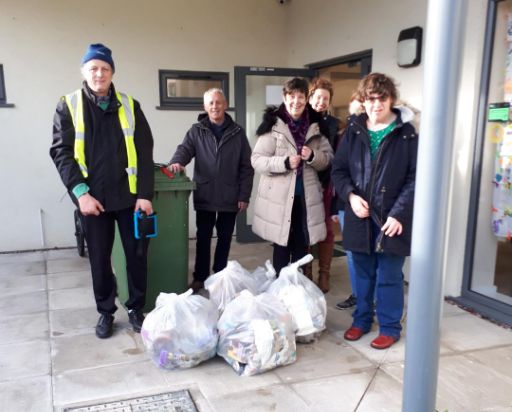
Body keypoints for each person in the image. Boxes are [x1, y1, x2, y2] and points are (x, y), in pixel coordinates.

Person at [50, 43, 154, 339]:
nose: (99, 74)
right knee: (99, 258)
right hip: (92, 200)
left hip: (130, 197)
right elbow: (61, 153)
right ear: (84, 71)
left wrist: (145, 194)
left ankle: (136, 308)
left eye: (105, 68)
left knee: (137, 256)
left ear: (112, 72)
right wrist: (81, 194)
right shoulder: (68, 105)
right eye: (93, 68)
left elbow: (144, 152)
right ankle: (106, 312)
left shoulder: (130, 105)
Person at [331, 73, 418, 350]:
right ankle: (361, 321)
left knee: (389, 276)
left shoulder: (407, 134)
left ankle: (390, 327)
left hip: (393, 219)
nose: (376, 105)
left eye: (382, 99)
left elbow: (416, 178)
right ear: (363, 101)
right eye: (371, 99)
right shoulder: (354, 130)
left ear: (391, 100)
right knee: (363, 273)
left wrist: (399, 214)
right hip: (360, 216)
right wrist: (351, 196)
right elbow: (339, 170)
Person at [168, 88, 254, 293]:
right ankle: (199, 277)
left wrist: (244, 195)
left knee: (224, 238)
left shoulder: (238, 132)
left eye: (218, 102)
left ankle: (219, 276)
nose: (215, 106)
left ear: (225, 104)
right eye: (210, 103)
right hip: (205, 193)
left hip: (229, 195)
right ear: (205, 107)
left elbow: (246, 167)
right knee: (203, 237)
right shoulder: (197, 130)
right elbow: (185, 149)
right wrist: (176, 162)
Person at [251, 77, 333, 275]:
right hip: (279, 198)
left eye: (301, 97)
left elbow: (329, 159)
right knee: (281, 244)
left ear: (306, 99)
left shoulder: (316, 124)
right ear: (284, 97)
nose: (296, 101)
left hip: (306, 197)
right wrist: (284, 162)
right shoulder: (273, 125)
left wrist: (313, 156)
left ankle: (297, 289)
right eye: (292, 96)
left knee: (301, 244)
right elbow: (257, 159)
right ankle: (279, 288)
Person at [302, 78, 342, 293]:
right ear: (310, 97)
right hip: (303, 181)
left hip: (325, 183)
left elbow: (337, 158)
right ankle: (306, 271)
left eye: (325, 98)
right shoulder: (300, 119)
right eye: (318, 97)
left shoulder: (335, 124)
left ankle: (324, 273)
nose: (321, 101)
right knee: (305, 227)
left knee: (326, 229)